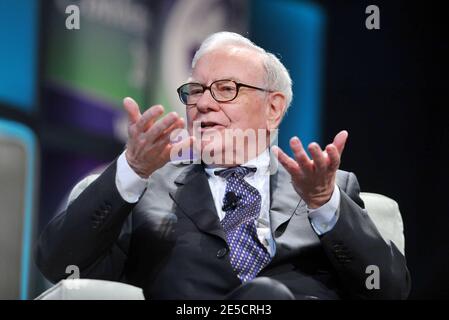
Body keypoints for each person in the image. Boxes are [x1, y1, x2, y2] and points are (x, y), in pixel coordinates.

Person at [36, 32, 410, 299]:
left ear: (274, 107)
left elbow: (389, 288)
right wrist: (132, 168)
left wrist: (325, 203)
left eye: (226, 89)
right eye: (195, 90)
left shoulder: (331, 189)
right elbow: (58, 265)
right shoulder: (148, 188)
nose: (203, 103)